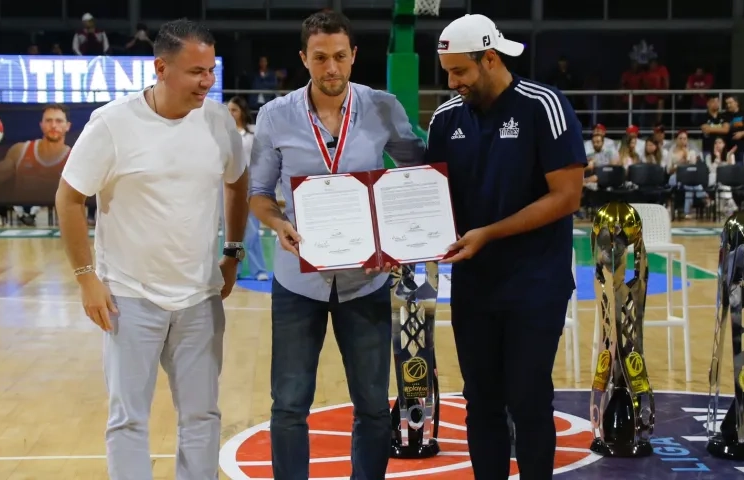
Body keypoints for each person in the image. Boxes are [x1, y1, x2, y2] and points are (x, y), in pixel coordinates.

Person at [54, 19, 248, 480]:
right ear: (161, 67)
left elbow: (237, 184)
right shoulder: (113, 123)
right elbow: (69, 197)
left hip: (200, 297)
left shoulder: (218, 120)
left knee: (202, 417)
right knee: (128, 420)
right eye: (196, 71)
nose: (207, 82)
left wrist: (233, 250)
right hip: (129, 297)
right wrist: (86, 277)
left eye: (210, 71)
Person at [248, 10, 425, 480]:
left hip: (363, 282)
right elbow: (259, 195)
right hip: (297, 280)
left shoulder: (384, 107)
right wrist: (277, 224)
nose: (331, 68)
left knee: (370, 406)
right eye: (320, 57)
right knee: (288, 405)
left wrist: (402, 233)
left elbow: (415, 174)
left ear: (354, 57)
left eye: (340, 57)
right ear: (304, 58)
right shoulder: (274, 115)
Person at [427, 14, 586, 480]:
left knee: (529, 399)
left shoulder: (544, 106)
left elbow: (567, 195)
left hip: (535, 283)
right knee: (481, 403)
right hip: (475, 286)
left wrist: (489, 233)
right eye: (447, 73)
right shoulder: (445, 119)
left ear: (490, 59)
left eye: (460, 71)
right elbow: (434, 197)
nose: (452, 82)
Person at [0, 104, 72, 226]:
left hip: (61, 215)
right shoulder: (20, 150)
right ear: (41, 125)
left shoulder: (73, 157)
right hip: (20, 208)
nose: (53, 125)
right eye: (48, 120)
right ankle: (22, 214)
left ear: (68, 126)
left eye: (59, 121)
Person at [227, 95, 269, 280]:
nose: (230, 114)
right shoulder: (222, 133)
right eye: (228, 110)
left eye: (234, 110)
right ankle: (234, 269)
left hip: (251, 185)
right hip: (228, 187)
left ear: (242, 112)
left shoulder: (253, 133)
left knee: (251, 230)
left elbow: (261, 159)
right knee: (232, 233)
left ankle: (258, 269)